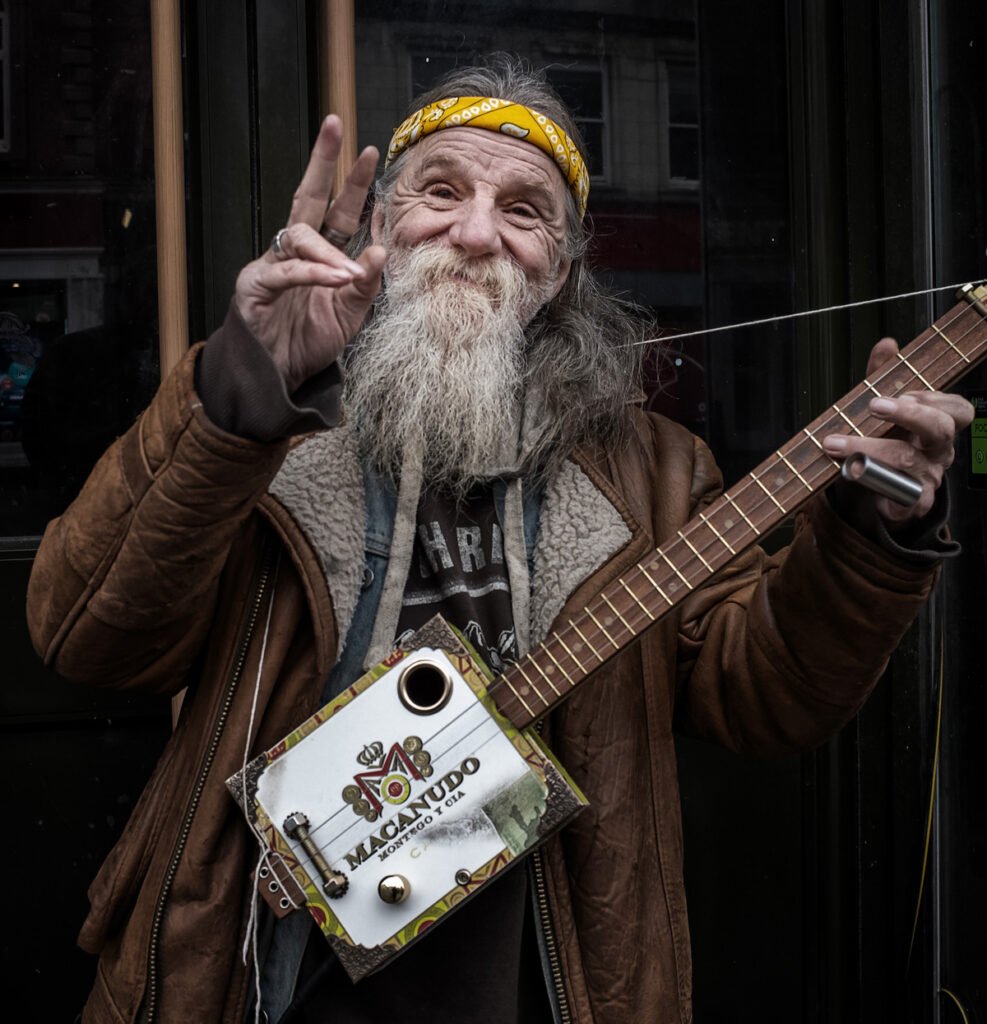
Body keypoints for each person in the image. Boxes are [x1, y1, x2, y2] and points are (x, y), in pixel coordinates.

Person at [27, 57, 972, 1024]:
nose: (476, 234)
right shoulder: (264, 426)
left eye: (523, 212)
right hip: (251, 977)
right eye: (440, 192)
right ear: (383, 227)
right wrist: (238, 401)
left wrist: (872, 535)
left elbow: (763, 698)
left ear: (558, 271)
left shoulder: (653, 471)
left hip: (539, 991)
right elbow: (88, 640)